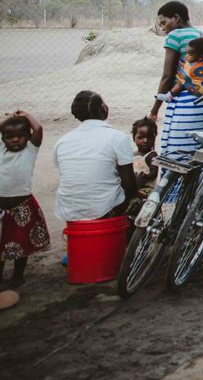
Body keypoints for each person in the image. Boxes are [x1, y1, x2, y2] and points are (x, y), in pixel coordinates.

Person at [54, 91, 137, 223]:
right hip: (104, 211)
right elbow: (129, 185)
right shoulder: (118, 137)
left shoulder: (62, 141)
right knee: (137, 196)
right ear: (102, 109)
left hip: (68, 212)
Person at [149, 1, 203, 156]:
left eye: (164, 22)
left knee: (177, 155)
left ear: (176, 18)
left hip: (187, 103)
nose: (163, 27)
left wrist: (154, 110)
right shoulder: (201, 34)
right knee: (202, 155)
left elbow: (167, 76)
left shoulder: (175, 36)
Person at [0, 111, 50, 286]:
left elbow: (38, 128)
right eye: (9, 136)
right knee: (1, 244)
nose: (15, 140)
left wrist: (26, 114)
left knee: (21, 242)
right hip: (1, 209)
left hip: (22, 206)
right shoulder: (1, 150)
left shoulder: (29, 151)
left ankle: (18, 275)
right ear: (3, 138)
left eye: (20, 136)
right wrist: (10, 119)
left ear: (28, 138)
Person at [130, 118, 159, 193]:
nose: (145, 140)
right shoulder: (131, 155)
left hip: (145, 189)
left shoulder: (152, 155)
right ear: (134, 138)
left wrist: (145, 176)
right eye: (141, 137)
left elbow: (154, 173)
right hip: (133, 186)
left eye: (149, 137)